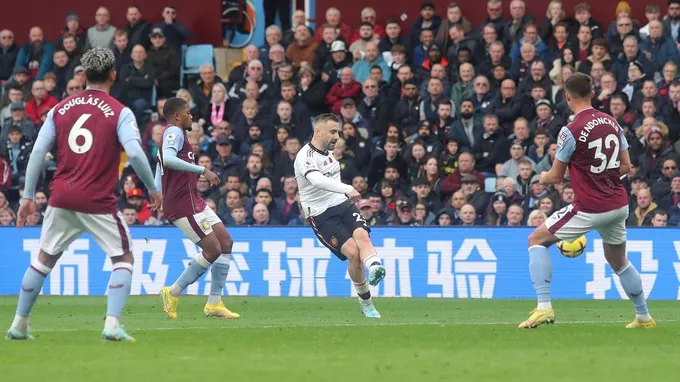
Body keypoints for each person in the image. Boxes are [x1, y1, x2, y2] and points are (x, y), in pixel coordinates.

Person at [5, 48, 161, 341]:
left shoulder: (60, 109)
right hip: (97, 201)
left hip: (61, 198)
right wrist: (152, 188)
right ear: (113, 75)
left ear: (84, 76)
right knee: (123, 259)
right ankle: (112, 324)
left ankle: (19, 324)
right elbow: (137, 154)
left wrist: (27, 196)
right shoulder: (119, 111)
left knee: (42, 260)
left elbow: (38, 151)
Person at [520, 72, 654, 329]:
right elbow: (626, 166)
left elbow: (557, 176)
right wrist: (597, 174)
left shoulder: (570, 131)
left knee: (536, 240)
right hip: (618, 204)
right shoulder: (612, 122)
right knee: (619, 261)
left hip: (591, 206)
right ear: (592, 93)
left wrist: (543, 177)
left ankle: (544, 307)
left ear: (567, 97)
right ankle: (643, 317)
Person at [294, 113, 386, 318]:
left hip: (341, 205)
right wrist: (346, 188)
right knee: (353, 254)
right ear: (318, 131)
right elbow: (316, 180)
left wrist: (343, 193)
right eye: (333, 132)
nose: (337, 136)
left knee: (363, 236)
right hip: (321, 215)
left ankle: (375, 267)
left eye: (338, 131)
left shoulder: (328, 152)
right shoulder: (305, 157)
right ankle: (366, 302)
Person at [158, 97, 239, 320]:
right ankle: (172, 292)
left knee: (225, 242)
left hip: (193, 199)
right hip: (182, 203)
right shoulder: (173, 132)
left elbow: (160, 164)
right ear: (176, 116)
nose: (191, 116)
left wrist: (156, 191)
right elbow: (168, 160)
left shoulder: (175, 134)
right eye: (188, 112)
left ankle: (214, 303)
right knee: (212, 249)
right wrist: (202, 170)